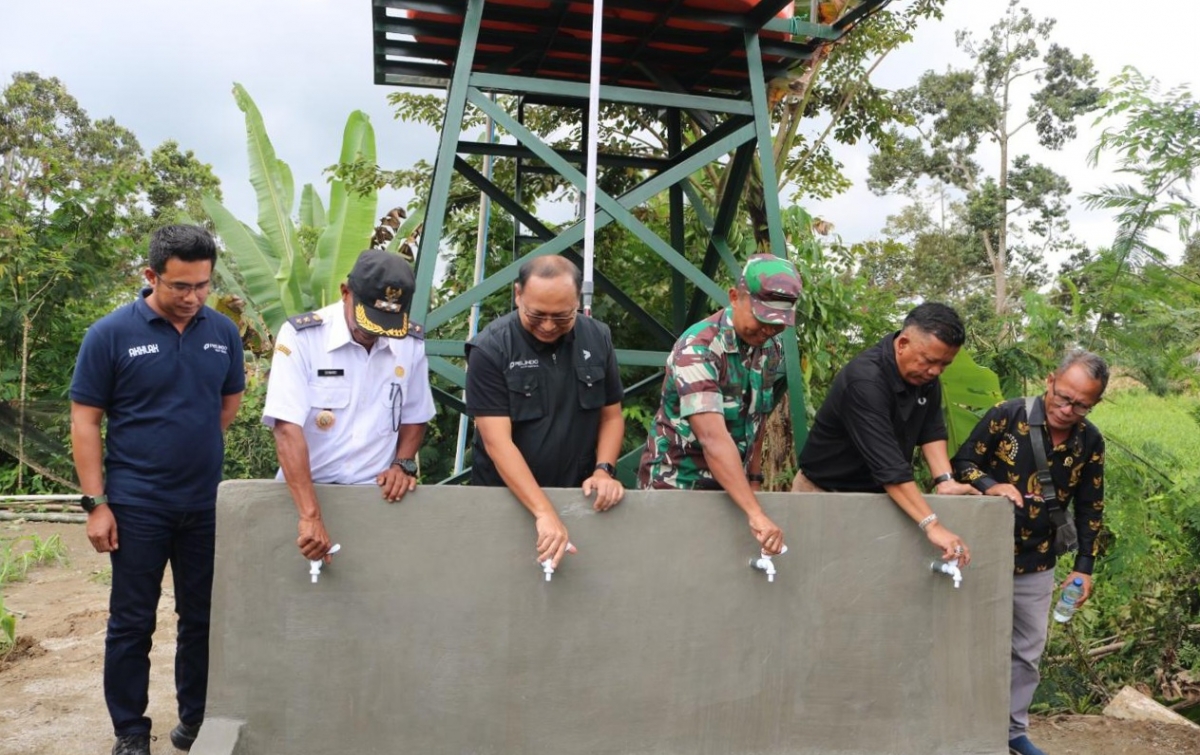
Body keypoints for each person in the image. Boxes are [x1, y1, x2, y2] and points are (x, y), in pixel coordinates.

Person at [70, 225, 245, 755]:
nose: (193, 298)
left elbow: (227, 404)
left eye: (203, 285)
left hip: (203, 505)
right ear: (151, 277)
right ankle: (130, 731)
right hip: (136, 505)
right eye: (180, 287)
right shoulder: (111, 334)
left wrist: (190, 450)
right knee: (131, 622)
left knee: (201, 619)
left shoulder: (222, 332)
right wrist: (97, 504)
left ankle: (194, 720)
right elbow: (85, 420)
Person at [952, 350, 1108, 755]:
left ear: (1094, 404)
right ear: (1051, 379)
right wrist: (991, 485)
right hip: (981, 553)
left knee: (1027, 651)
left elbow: (1090, 505)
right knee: (969, 644)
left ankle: (1012, 732)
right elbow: (962, 462)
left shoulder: (1090, 440)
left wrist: (1084, 568)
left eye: (1080, 405)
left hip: (1038, 559)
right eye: (1063, 396)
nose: (1067, 408)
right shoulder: (1006, 415)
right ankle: (959, 727)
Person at [262, 249, 435, 563]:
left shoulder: (409, 343)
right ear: (345, 293)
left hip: (375, 500)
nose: (375, 334)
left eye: (386, 325)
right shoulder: (303, 337)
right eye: (367, 323)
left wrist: (403, 462)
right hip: (306, 496)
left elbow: (415, 413)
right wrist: (310, 515)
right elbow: (286, 429)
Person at [465, 256, 625, 568]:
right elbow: (498, 443)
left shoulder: (598, 338)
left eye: (562, 316)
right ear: (518, 295)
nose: (549, 326)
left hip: (577, 498)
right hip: (504, 501)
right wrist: (543, 512)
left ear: (577, 300)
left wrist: (604, 470)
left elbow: (611, 415)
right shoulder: (491, 349)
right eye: (536, 315)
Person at [637, 254, 801, 554]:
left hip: (731, 489)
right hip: (677, 487)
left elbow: (758, 416)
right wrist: (755, 513)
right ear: (735, 297)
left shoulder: (769, 348)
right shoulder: (697, 349)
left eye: (778, 325)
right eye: (762, 319)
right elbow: (713, 439)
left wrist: (753, 479)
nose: (767, 331)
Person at [792, 302, 978, 565]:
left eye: (944, 365)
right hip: (823, 495)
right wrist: (932, 525)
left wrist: (945, 480)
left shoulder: (924, 378)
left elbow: (931, 428)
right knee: (819, 577)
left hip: (878, 496)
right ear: (902, 344)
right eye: (930, 361)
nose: (935, 371)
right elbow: (889, 466)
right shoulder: (865, 381)